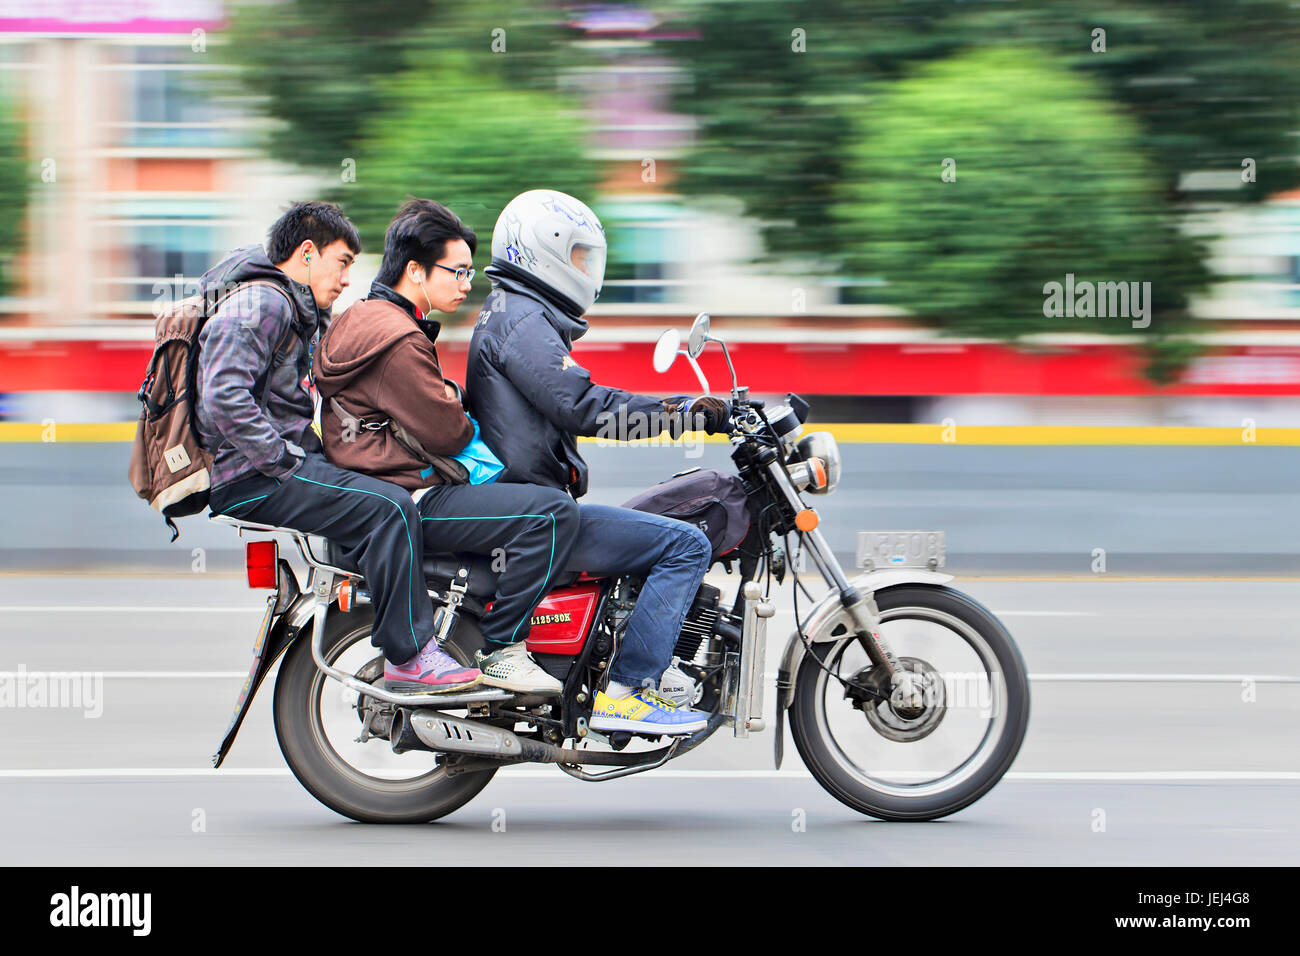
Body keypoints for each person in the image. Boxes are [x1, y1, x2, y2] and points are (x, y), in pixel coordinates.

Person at [467, 189, 731, 736]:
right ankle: (629, 692)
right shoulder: (522, 320)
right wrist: (683, 413)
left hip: (531, 503)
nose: (587, 270)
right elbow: (583, 406)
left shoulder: (515, 312)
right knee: (686, 545)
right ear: (543, 250)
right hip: (536, 510)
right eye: (580, 256)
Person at [199, 201, 481, 694]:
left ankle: (380, 606)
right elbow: (222, 394)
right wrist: (281, 459)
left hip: (271, 465)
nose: (348, 279)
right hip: (250, 476)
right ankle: (410, 657)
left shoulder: (297, 308)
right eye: (343, 262)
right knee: (390, 508)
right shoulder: (263, 303)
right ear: (307, 253)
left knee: (373, 493)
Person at [313, 198, 580, 695]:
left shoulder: (360, 316)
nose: (465, 284)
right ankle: (504, 649)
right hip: (411, 493)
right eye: (456, 272)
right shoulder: (399, 338)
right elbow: (448, 433)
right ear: (415, 270)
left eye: (470, 272)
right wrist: (456, 403)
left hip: (376, 486)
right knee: (552, 512)